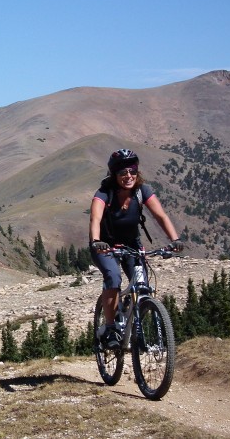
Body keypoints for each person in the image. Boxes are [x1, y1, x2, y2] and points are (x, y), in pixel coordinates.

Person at [88, 149, 183, 349]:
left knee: (142, 286)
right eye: (123, 173)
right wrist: (96, 241)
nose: (128, 176)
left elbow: (161, 216)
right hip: (105, 245)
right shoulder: (104, 193)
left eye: (132, 171)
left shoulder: (142, 191)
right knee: (113, 277)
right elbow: (95, 218)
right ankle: (111, 327)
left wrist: (175, 239)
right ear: (114, 175)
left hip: (131, 245)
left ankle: (135, 323)